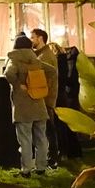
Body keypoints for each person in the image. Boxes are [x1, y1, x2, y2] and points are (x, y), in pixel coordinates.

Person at [4, 35, 58, 176]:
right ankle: (41, 167)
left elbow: (8, 73)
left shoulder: (14, 59)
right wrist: (41, 84)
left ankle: (26, 170)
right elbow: (52, 71)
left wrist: (18, 85)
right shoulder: (36, 60)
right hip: (39, 104)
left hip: (23, 106)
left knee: (25, 139)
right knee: (41, 138)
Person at [31, 29, 64, 167]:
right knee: (47, 128)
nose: (31, 40)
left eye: (33, 37)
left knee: (48, 128)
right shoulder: (42, 54)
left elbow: (45, 79)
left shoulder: (45, 56)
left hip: (45, 98)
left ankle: (52, 158)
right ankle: (51, 157)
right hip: (45, 97)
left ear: (40, 38)